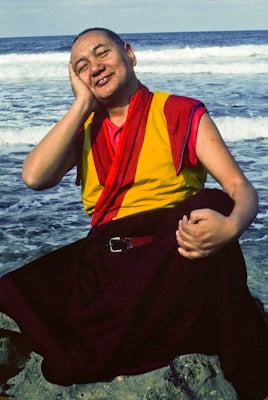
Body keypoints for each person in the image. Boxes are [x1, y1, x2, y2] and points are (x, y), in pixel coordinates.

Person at [0, 28, 267, 400]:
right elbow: (33, 177)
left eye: (102, 54)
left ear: (129, 53)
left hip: (168, 249)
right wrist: (80, 106)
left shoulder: (180, 111)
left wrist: (232, 227)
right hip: (107, 258)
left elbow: (241, 189)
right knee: (12, 288)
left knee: (214, 202)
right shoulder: (84, 129)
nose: (95, 67)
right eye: (82, 66)